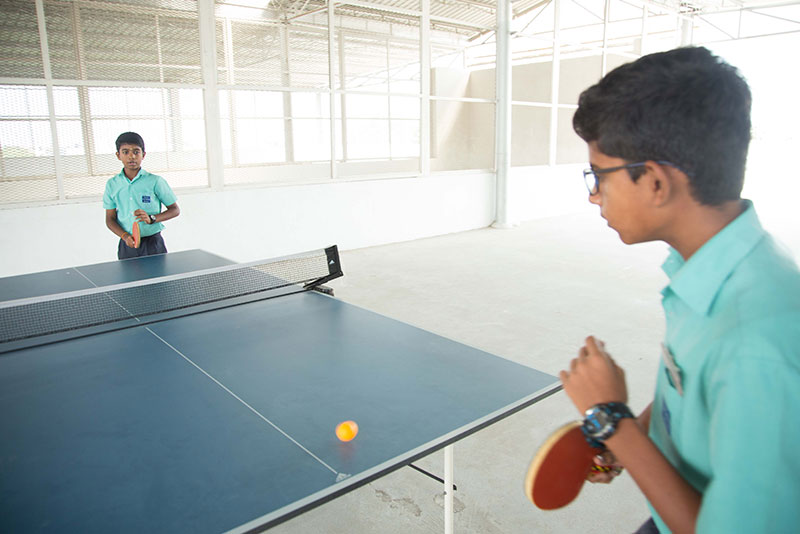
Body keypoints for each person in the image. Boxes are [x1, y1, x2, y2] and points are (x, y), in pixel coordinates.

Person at [560, 46, 800, 533]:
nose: (592, 194)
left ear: (653, 181)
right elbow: (687, 388)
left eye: (599, 177)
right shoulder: (711, 270)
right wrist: (634, 438)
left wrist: (611, 421)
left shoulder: (757, 344)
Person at [103, 132, 180, 259]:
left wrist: (152, 218)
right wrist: (124, 236)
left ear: (143, 155)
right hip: (127, 244)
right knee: (130, 279)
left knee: (160, 278)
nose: (131, 156)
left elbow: (175, 210)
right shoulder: (112, 184)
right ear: (118, 155)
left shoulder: (155, 181)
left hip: (153, 244)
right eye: (125, 152)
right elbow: (110, 219)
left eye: (136, 152)